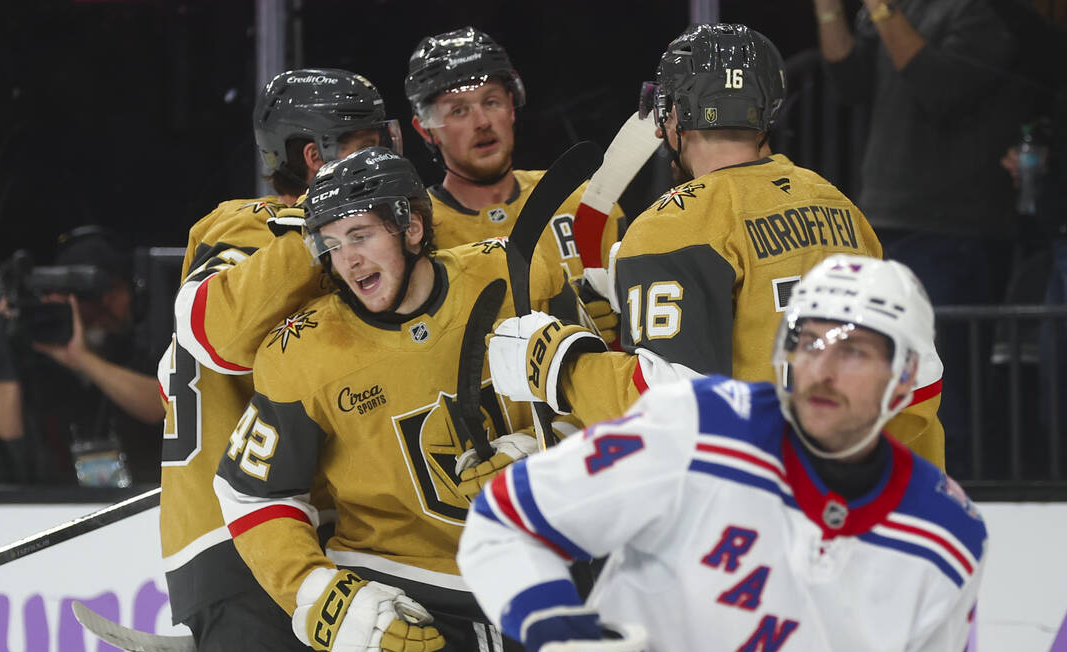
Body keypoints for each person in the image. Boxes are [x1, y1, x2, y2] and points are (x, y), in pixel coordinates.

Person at [457, 254, 987, 652]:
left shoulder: (946, 537)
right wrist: (553, 622)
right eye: (807, 342)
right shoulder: (701, 426)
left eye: (853, 351)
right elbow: (505, 519)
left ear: (905, 376)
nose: (822, 369)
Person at [211, 146, 594, 652]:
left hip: (522, 573)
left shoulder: (514, 275)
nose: (348, 260)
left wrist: (548, 462)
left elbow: (595, 405)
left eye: (361, 234)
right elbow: (253, 494)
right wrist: (319, 595)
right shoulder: (301, 354)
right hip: (394, 585)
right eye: (331, 244)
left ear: (413, 227)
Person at [483, 23, 946, 469]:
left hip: (768, 517)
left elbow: (672, 414)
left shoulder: (675, 224)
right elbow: (919, 377)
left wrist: (562, 366)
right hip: (886, 505)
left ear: (676, 115)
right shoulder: (836, 204)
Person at [159, 68, 402, 652]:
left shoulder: (374, 228)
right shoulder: (244, 227)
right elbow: (216, 334)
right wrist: (323, 230)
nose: (385, 155)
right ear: (312, 156)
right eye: (364, 144)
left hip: (322, 529)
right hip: (235, 531)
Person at [812, 0, 1018, 478]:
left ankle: (961, 493)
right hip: (884, 220)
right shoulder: (892, 11)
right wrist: (828, 9)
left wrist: (881, 8)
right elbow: (849, 81)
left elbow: (938, 89)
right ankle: (892, 488)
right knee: (882, 374)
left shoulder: (977, 14)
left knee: (947, 385)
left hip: (952, 227)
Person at [405, 26, 624, 340]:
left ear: (511, 106)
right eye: (458, 110)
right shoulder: (417, 232)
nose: (482, 122)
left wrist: (627, 318)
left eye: (491, 102)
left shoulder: (582, 201)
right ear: (427, 130)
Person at [0, 226, 163, 485]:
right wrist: (6, 357)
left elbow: (162, 406)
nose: (104, 309)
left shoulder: (141, 349)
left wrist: (83, 359)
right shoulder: (35, 360)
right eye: (91, 300)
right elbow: (3, 459)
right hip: (55, 506)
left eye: (114, 293)